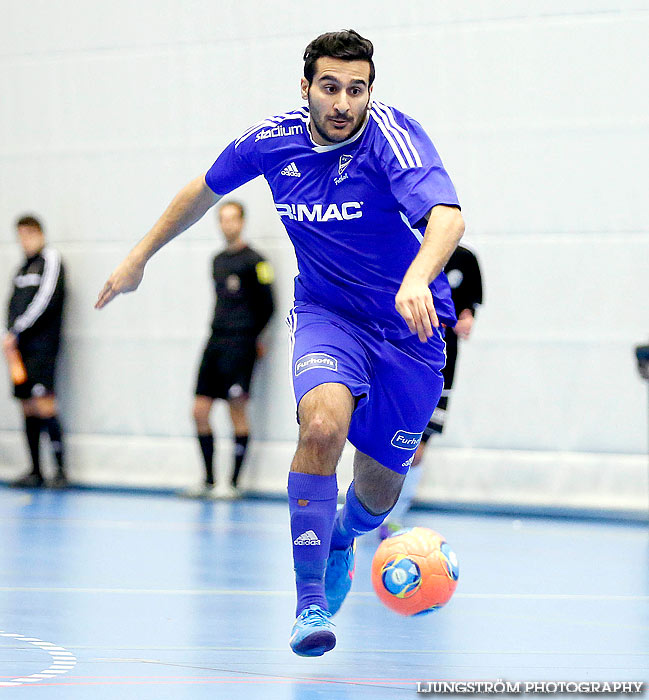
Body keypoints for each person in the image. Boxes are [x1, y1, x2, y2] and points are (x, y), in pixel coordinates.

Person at [96, 29, 464, 657]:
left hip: (410, 327)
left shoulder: (392, 137)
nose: (344, 102)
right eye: (330, 87)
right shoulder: (272, 141)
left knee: (377, 494)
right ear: (306, 88)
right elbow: (202, 190)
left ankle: (346, 532)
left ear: (369, 90)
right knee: (320, 429)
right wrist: (139, 256)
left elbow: (447, 217)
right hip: (327, 314)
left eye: (357, 89)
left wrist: (417, 277)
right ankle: (309, 602)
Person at [380, 244, 483, 537]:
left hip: (440, 367)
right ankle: (371, 506)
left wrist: (466, 319)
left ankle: (394, 515)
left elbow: (469, 310)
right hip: (400, 358)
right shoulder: (400, 250)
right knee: (384, 440)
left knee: (418, 446)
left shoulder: (465, 259)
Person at [188, 200, 274, 500]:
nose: (227, 225)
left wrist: (254, 338)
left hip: (242, 343)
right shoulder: (217, 260)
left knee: (237, 410)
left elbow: (269, 306)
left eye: (232, 219)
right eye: (222, 219)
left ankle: (233, 484)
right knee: (199, 410)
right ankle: (209, 480)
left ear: (242, 222)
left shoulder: (257, 261)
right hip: (216, 340)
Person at [3, 215, 67, 488]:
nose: (24, 241)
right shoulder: (22, 269)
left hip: (42, 347)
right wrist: (9, 334)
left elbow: (44, 300)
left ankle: (61, 472)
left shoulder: (50, 260)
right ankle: (35, 470)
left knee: (44, 405)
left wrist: (18, 329)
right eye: (20, 236)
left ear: (39, 233)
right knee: (27, 406)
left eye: (29, 234)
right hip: (20, 350)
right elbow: (12, 304)